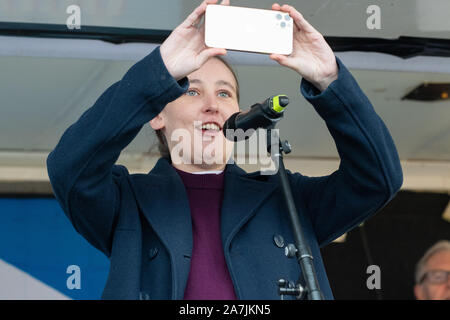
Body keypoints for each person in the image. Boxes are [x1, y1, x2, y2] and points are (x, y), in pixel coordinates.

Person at [46, 0, 403, 300]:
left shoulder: (286, 199)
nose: (211, 106)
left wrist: (329, 79)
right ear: (156, 113)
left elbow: (377, 179)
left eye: (224, 93)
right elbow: (70, 168)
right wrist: (158, 73)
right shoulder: (127, 202)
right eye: (192, 91)